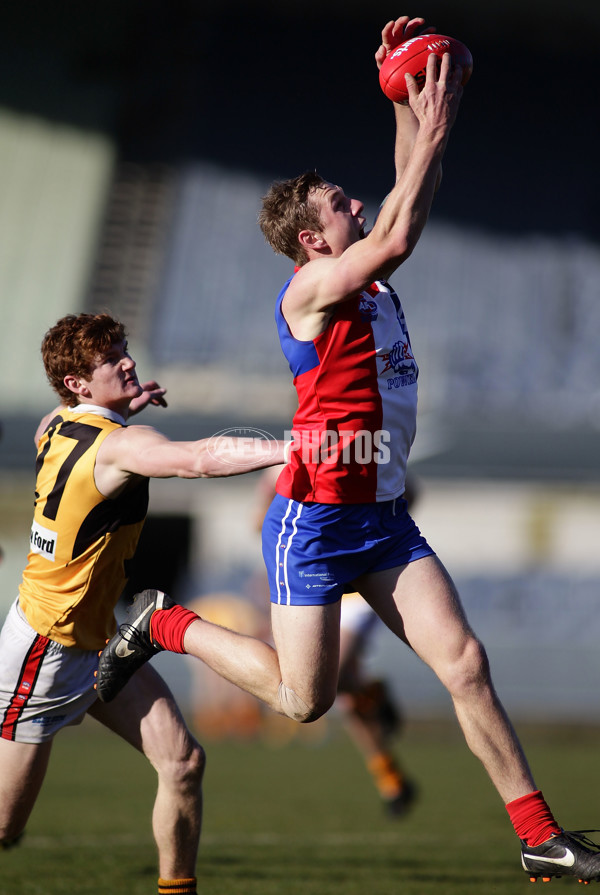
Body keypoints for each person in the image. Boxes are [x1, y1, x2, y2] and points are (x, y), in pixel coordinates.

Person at [96, 15, 600, 882]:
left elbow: (410, 189)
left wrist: (402, 98)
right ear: (311, 239)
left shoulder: (363, 274)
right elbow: (398, 227)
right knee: (304, 700)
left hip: (382, 517)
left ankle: (537, 834)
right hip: (315, 520)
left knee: (466, 663)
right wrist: (434, 121)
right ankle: (162, 620)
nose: (358, 205)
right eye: (341, 206)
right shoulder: (310, 293)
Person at [0, 312, 287, 895]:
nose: (128, 361)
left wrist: (120, 410)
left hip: (99, 637)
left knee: (182, 762)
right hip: (45, 652)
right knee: (5, 830)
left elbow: (47, 425)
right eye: (112, 360)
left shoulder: (59, 424)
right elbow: (199, 459)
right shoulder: (119, 447)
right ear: (79, 384)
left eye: (124, 350)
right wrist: (294, 448)